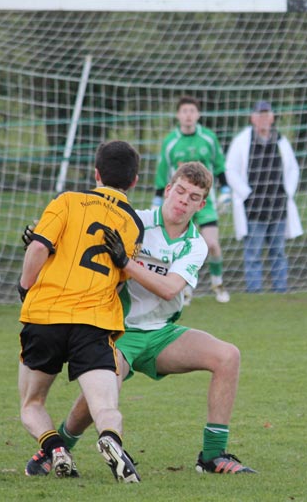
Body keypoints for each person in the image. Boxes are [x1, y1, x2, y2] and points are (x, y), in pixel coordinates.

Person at [25, 162, 256, 475]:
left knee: (228, 356)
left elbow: (169, 289)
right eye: (180, 191)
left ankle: (212, 456)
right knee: (98, 397)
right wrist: (45, 242)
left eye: (194, 197)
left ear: (202, 205)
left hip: (162, 333)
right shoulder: (136, 222)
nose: (183, 200)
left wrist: (127, 263)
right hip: (119, 331)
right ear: (167, 190)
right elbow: (82, 244)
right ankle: (56, 449)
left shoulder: (195, 245)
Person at [17, 140, 144, 483]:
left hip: (45, 316)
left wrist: (25, 287)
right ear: (134, 181)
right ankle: (111, 439)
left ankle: (55, 448)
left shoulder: (67, 201)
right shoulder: (133, 224)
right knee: (105, 407)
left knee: (32, 403)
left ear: (96, 173)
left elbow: (39, 246)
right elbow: (119, 282)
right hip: (94, 322)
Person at [152, 96, 231, 305]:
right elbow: (162, 172)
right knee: (179, 245)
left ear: (198, 114)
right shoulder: (170, 142)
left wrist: (225, 189)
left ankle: (217, 282)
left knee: (212, 244)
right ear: (178, 115)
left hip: (206, 203)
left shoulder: (208, 138)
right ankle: (184, 288)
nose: (188, 115)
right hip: (179, 203)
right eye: (184, 111)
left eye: (192, 111)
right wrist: (157, 198)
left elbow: (220, 164)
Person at [225, 100, 303, 293]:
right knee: (252, 254)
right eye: (260, 115)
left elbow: (293, 168)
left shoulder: (281, 141)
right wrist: (246, 194)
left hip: (277, 206)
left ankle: (281, 291)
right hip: (253, 208)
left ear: (272, 117)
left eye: (267, 114)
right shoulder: (242, 141)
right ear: (252, 118)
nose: (263, 119)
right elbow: (231, 170)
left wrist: (287, 192)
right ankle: (255, 293)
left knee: (278, 253)